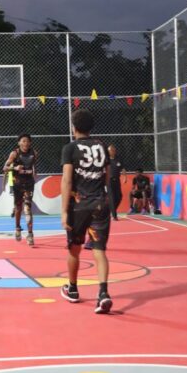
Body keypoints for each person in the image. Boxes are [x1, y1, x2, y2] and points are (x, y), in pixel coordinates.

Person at [60, 109, 112, 314]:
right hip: (100, 202)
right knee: (99, 250)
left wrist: (64, 211)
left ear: (74, 127)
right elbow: (107, 176)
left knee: (74, 248)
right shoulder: (102, 146)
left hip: (79, 205)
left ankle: (73, 289)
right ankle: (103, 293)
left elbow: (67, 180)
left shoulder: (70, 148)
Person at [3, 134, 37, 246]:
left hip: (29, 184)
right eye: (23, 141)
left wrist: (34, 172)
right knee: (18, 208)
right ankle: (17, 228)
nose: (25, 143)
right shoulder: (14, 154)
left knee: (28, 208)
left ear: (30, 143)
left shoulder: (34, 153)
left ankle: (30, 235)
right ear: (19, 143)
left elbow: (33, 165)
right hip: (17, 183)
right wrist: (15, 168)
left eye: (27, 141)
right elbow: (4, 168)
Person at [107, 144, 127, 220]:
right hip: (109, 181)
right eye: (111, 150)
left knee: (119, 197)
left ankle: (112, 210)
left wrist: (125, 177)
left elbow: (123, 168)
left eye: (114, 150)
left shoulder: (118, 159)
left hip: (117, 180)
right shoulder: (106, 160)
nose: (113, 151)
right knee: (112, 197)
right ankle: (114, 216)